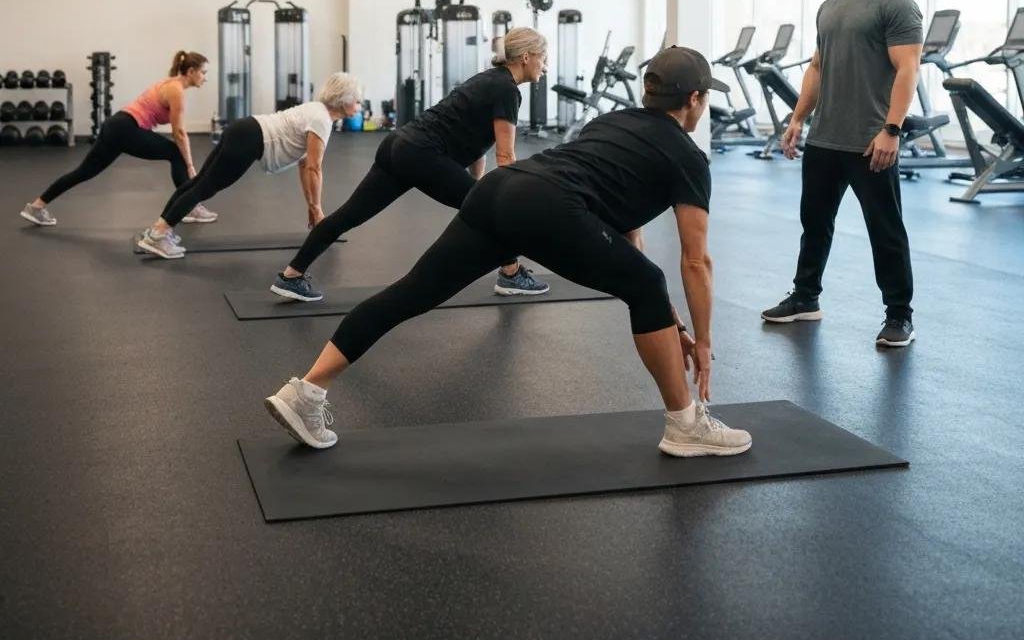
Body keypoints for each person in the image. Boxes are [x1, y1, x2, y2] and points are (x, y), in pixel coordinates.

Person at [264, 46, 752, 460]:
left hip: (499, 189)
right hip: (547, 206)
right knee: (647, 283)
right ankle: (686, 425)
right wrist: (703, 342)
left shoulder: (615, 121)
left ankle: (306, 390)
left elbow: (629, 235)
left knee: (410, 293)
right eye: (705, 97)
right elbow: (695, 261)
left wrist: (669, 321)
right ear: (694, 99)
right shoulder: (688, 157)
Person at [269, 27, 552, 302]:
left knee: (348, 215)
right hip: (421, 153)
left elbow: (479, 144)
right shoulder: (507, 90)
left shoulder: (488, 79)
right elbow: (505, 157)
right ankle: (511, 274)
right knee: (493, 211)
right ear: (526, 57)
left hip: (398, 144)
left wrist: (477, 188)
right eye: (543, 57)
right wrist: (501, 198)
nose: (546, 65)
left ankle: (291, 275)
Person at [761, 0, 923, 348]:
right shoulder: (829, 7)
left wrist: (892, 129)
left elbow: (908, 69)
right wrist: (797, 119)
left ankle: (899, 315)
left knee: (885, 231)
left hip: (870, 141)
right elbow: (817, 67)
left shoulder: (896, 4)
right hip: (825, 138)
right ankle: (805, 297)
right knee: (814, 224)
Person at [136, 72, 362, 259]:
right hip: (249, 139)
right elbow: (314, 168)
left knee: (200, 182)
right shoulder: (322, 120)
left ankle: (158, 228)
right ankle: (158, 235)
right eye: (357, 101)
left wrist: (313, 207)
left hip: (244, 129)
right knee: (205, 187)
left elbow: (305, 166)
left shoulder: (316, 110)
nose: (360, 106)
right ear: (343, 99)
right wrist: (317, 209)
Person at [21, 51, 213, 227]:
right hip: (126, 128)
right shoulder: (176, 90)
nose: (205, 78)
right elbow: (179, 132)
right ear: (191, 71)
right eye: (203, 72)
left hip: (116, 126)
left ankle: (36, 207)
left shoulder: (170, 84)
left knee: (83, 172)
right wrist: (190, 165)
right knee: (176, 153)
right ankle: (189, 207)